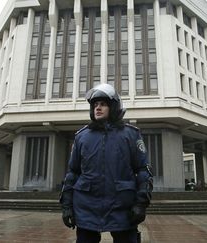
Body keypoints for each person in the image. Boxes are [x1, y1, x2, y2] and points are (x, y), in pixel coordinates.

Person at [59, 84, 153, 243]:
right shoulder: (82, 137)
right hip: (87, 207)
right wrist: (67, 206)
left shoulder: (130, 134)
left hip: (122, 209)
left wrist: (141, 203)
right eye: (95, 105)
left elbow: (143, 171)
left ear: (114, 107)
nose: (98, 108)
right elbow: (72, 173)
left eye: (103, 104)